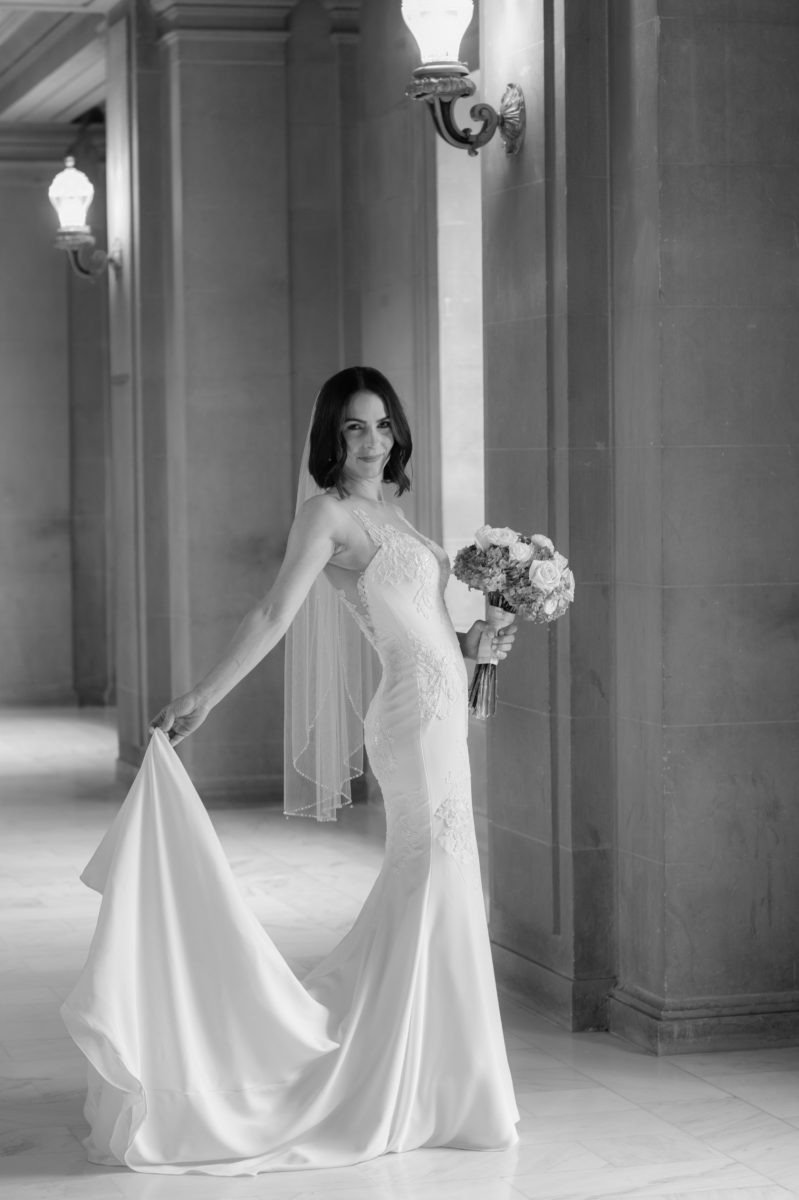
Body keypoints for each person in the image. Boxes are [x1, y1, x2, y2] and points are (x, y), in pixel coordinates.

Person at [67, 366, 521, 1175]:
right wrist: (203, 693)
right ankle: (427, 1081)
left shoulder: (393, 511)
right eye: (354, 428)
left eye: (382, 427)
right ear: (330, 438)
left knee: (436, 882)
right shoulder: (328, 514)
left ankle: (439, 1076)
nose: (372, 443)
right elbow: (274, 611)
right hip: (412, 719)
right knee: (441, 873)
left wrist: (473, 647)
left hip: (441, 701)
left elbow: (420, 623)